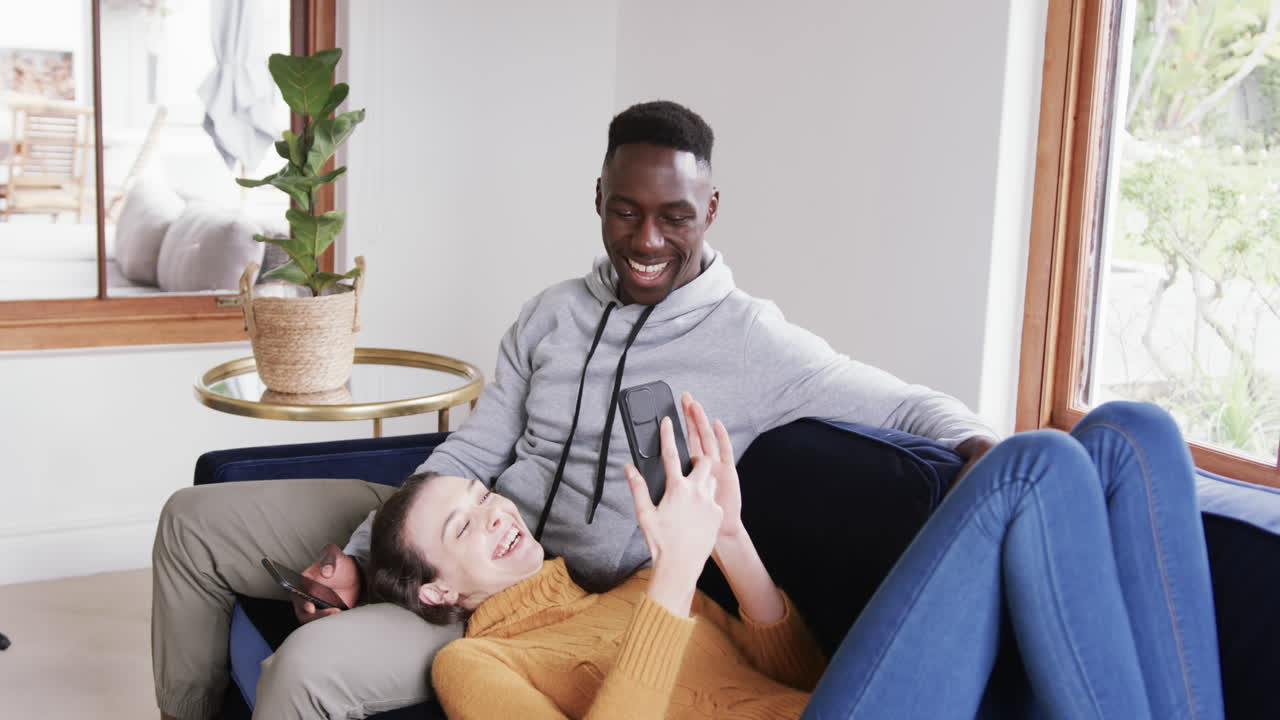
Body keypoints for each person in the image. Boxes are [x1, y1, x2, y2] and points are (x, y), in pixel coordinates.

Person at [151, 101, 999, 719]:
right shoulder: (551, 313)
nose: (648, 240)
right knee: (191, 524)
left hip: (527, 595)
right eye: (627, 211)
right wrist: (378, 548)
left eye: (674, 216)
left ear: (710, 210)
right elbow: (478, 445)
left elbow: (905, 403)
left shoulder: (751, 343)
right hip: (461, 527)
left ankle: (400, 587)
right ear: (598, 198)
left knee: (308, 668)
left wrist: (980, 447)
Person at [369, 394, 1224, 720]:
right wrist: (676, 572)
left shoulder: (634, 585)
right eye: (462, 529)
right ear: (439, 592)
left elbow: (802, 673)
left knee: (1130, 434)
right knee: (1033, 466)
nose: (495, 517)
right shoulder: (476, 663)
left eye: (484, 498)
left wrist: (733, 545)